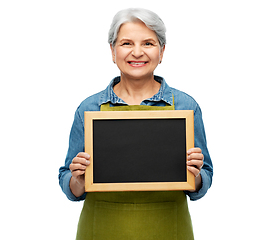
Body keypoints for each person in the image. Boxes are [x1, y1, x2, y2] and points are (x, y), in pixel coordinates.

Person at [58, 8, 213, 240]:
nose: (137, 52)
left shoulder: (184, 106)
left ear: (162, 52)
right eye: (127, 43)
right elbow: (68, 182)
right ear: (112, 51)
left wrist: (196, 175)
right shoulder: (88, 109)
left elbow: (204, 179)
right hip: (102, 228)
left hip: (168, 228)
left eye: (148, 43)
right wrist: (78, 180)